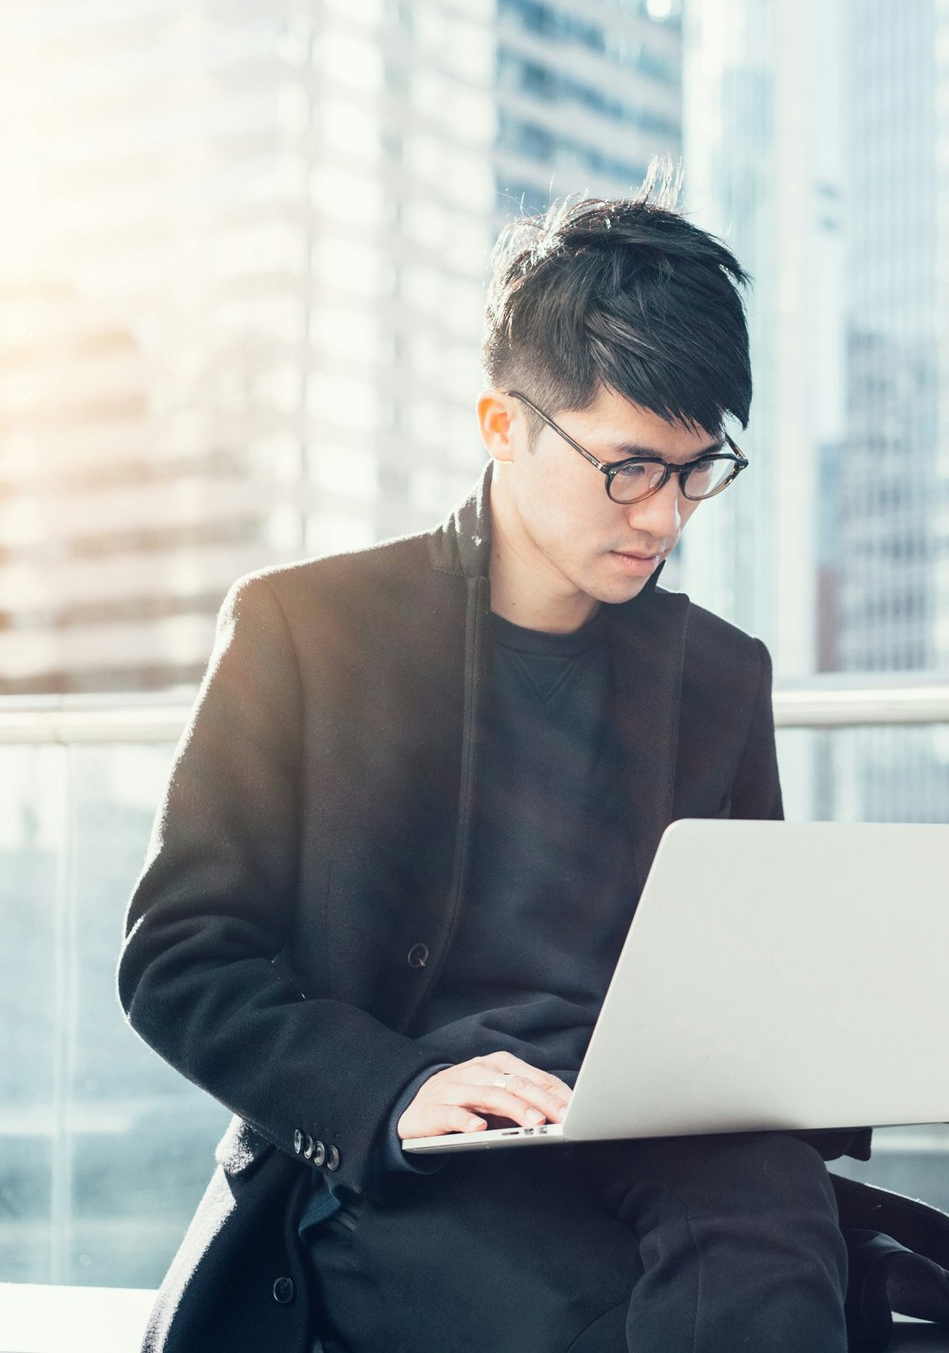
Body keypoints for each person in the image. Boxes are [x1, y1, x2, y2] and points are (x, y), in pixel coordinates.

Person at [117, 155, 870, 1353]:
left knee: (778, 1230)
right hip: (415, 1143)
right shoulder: (306, 631)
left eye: (697, 471)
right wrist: (392, 1088)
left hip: (648, 1134)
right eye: (628, 467)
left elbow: (732, 971)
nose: (665, 517)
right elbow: (179, 960)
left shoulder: (721, 675)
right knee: (576, 1311)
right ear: (503, 425)